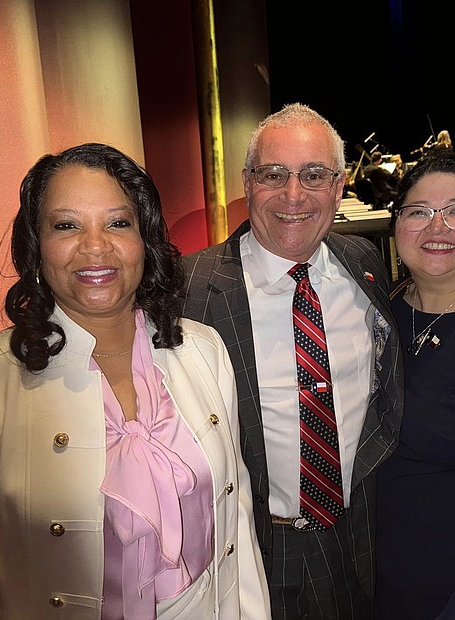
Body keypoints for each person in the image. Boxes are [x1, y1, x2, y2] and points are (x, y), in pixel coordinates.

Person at [0, 143, 270, 619]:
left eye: (118, 223)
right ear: (36, 246)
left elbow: (236, 521)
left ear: (146, 239)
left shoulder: (202, 349)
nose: (95, 246)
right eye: (66, 226)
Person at [181, 103, 404, 620]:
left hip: (359, 535)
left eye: (314, 175)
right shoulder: (188, 288)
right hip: (257, 547)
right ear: (247, 181)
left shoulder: (364, 264)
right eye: (273, 174)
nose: (294, 195)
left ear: (340, 184)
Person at [375, 153, 455, 620]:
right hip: (375, 573)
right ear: (396, 225)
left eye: (453, 211)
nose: (437, 227)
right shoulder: (378, 309)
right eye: (419, 211)